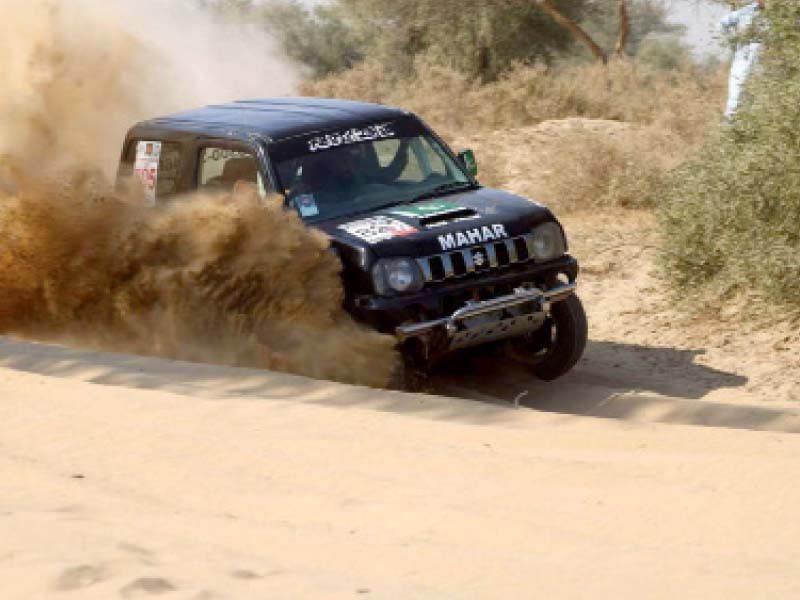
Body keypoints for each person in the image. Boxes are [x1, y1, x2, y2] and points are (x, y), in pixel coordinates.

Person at [720, 0, 766, 122]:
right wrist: (733, 42)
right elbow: (722, 24)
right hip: (741, 64)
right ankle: (727, 135)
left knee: (754, 105)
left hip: (760, 69)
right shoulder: (746, 12)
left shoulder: (777, 17)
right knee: (734, 102)